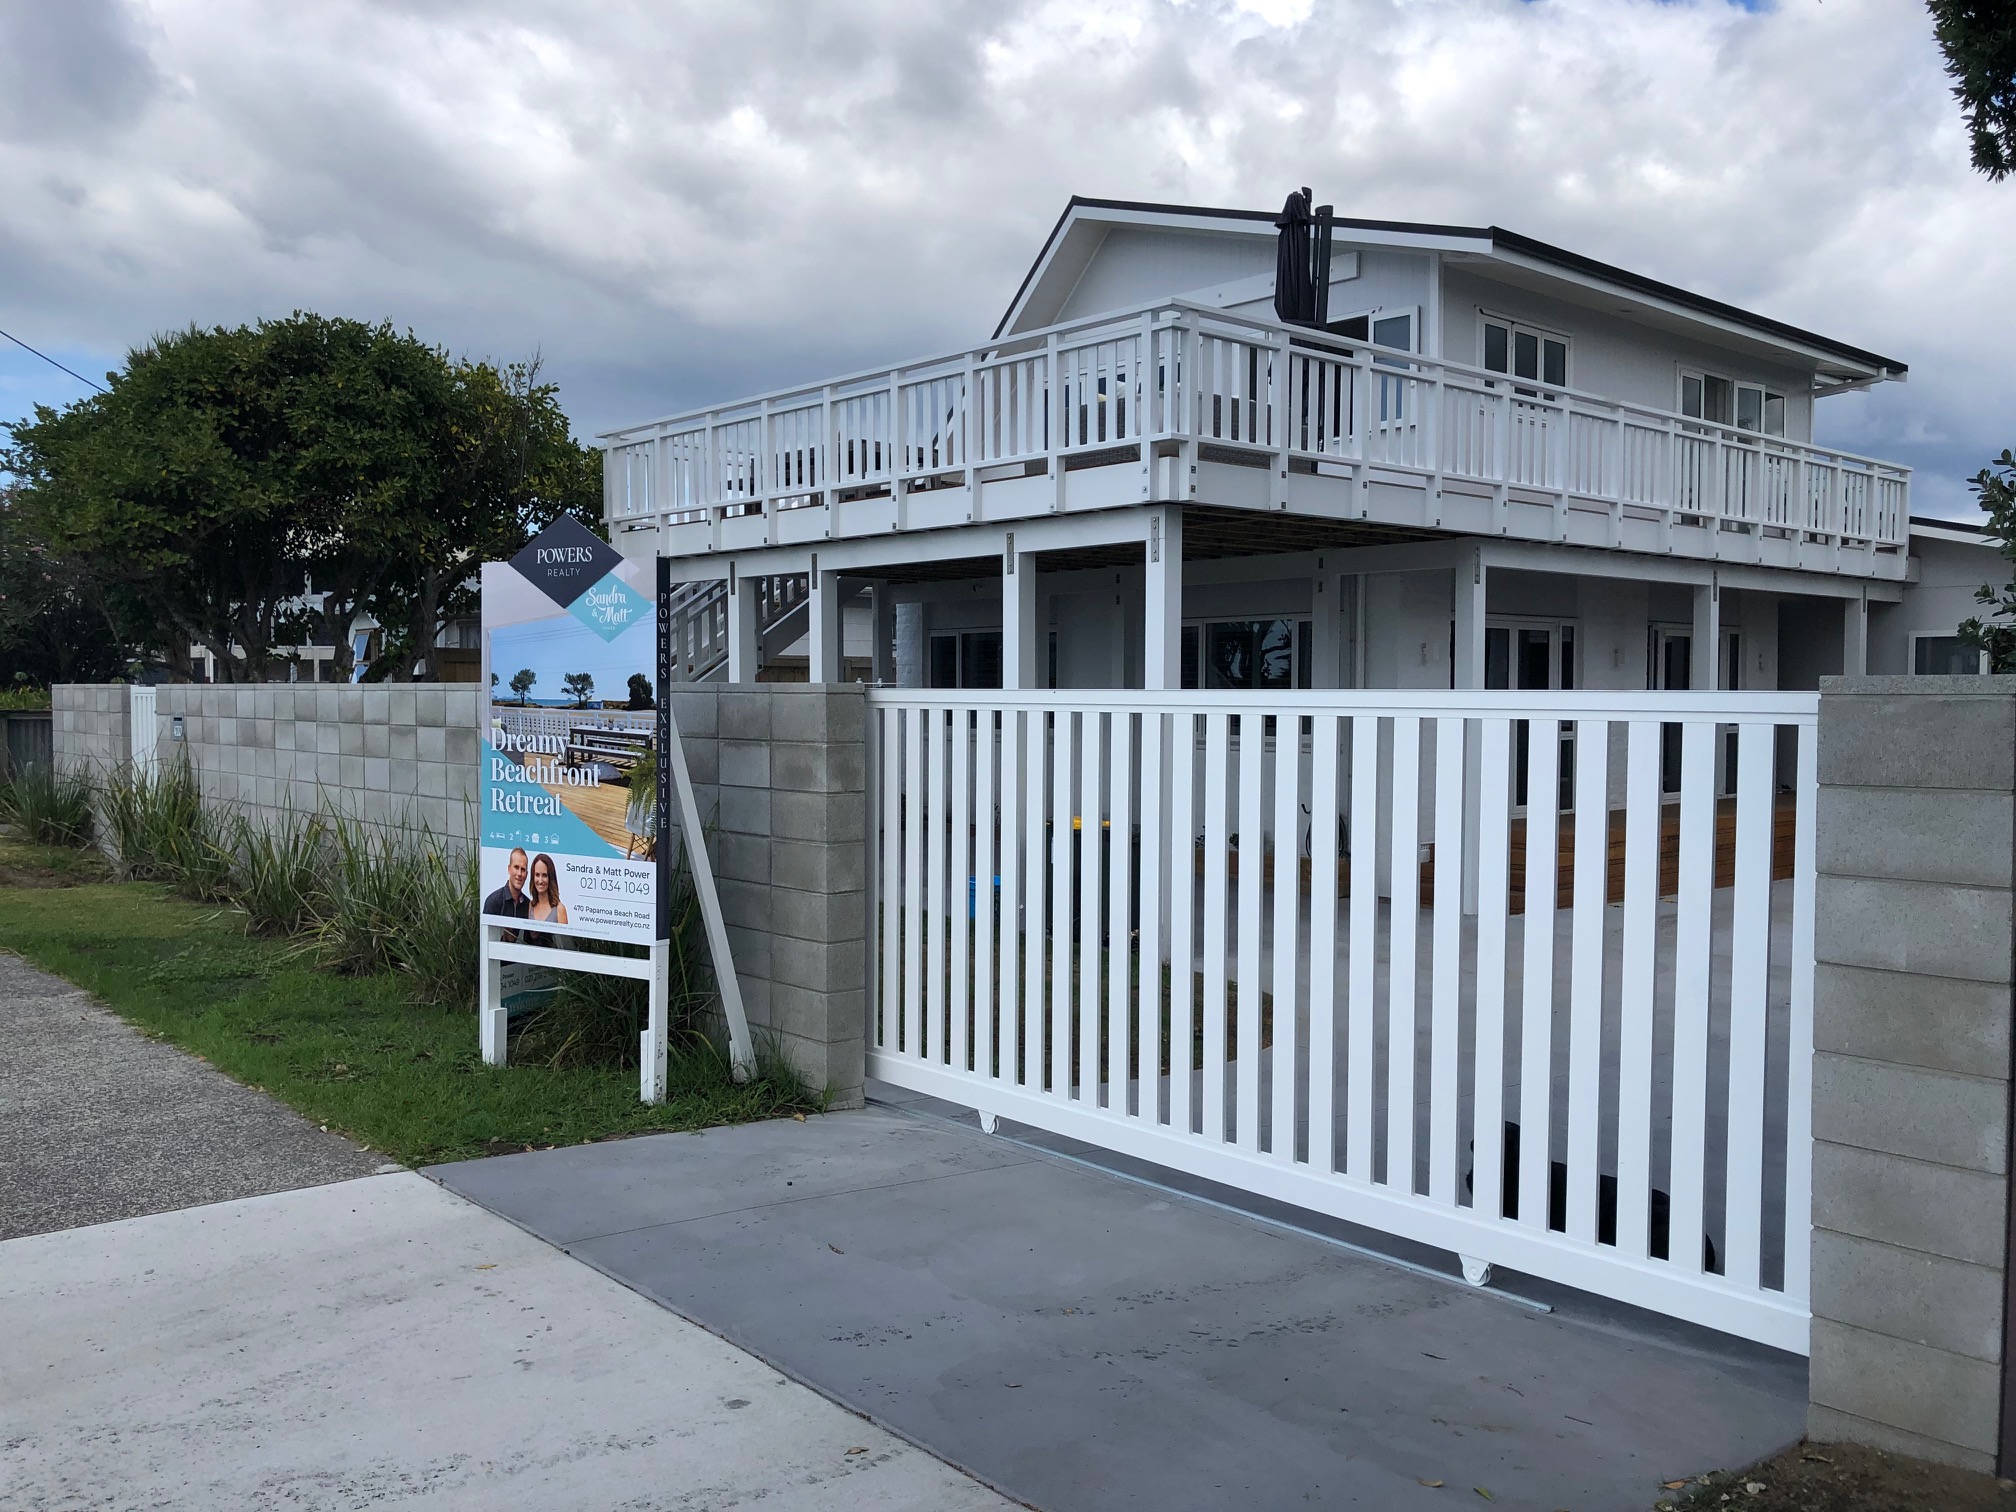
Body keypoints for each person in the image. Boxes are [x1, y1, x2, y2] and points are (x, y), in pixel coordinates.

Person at [482, 847, 531, 918]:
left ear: (526, 875)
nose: (519, 873)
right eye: (516, 867)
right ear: (509, 869)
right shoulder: (493, 901)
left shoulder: (528, 906)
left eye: (523, 869)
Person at [527, 852, 570, 928]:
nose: (540, 880)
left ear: (550, 877)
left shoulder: (559, 909)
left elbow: (564, 940)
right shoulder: (530, 906)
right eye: (537, 875)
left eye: (544, 875)